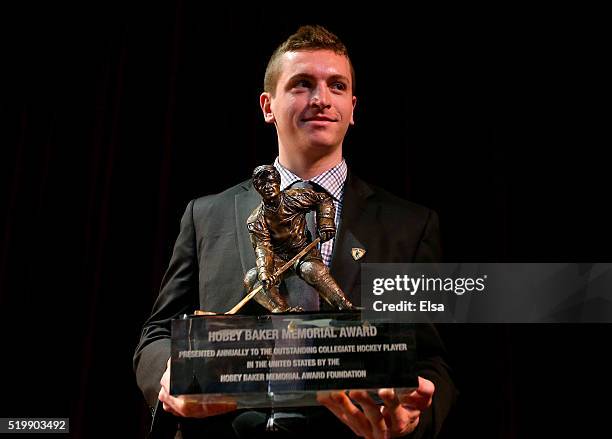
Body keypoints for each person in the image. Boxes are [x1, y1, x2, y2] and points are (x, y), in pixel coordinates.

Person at [134, 25, 456, 438]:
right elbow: (157, 334)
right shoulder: (207, 215)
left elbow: (432, 359)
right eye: (302, 85)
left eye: (336, 86)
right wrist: (170, 373)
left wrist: (412, 418)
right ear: (268, 106)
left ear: (352, 107)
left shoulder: (409, 226)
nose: (321, 99)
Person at [243, 164, 354, 313]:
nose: (268, 187)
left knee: (312, 270)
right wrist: (265, 273)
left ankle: (344, 306)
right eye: (262, 184)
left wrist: (326, 222)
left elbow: (322, 199)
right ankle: (281, 310)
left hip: (304, 252)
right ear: (257, 188)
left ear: (278, 181)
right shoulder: (256, 219)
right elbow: (262, 248)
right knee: (252, 278)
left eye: (270, 181)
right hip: (278, 258)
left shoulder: (294, 197)